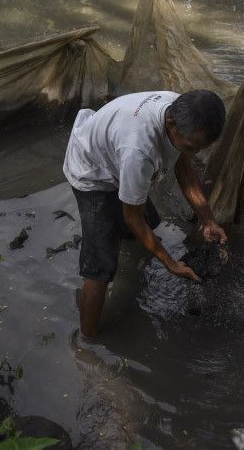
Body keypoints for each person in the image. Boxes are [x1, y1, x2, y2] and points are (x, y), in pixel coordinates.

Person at [63, 89, 228, 338]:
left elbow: (183, 167)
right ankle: (87, 343)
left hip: (116, 156)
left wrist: (208, 220)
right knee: (100, 268)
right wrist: (170, 263)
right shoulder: (139, 152)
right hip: (92, 173)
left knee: (140, 228)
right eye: (192, 147)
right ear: (170, 125)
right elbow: (133, 217)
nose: (194, 152)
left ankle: (130, 263)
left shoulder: (179, 108)